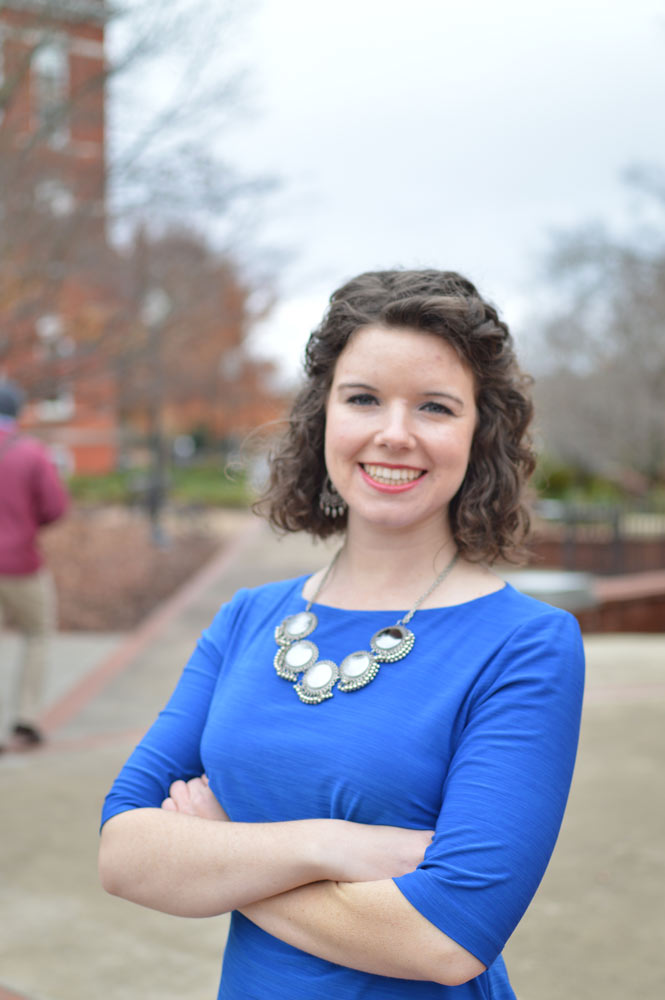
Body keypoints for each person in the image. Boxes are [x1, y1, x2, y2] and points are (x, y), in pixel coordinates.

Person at [99, 270, 585, 998]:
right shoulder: (247, 617)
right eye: (362, 399)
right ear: (322, 417)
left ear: (478, 433)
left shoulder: (525, 645)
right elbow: (122, 854)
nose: (394, 433)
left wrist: (219, 855)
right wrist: (331, 847)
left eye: (434, 407)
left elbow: (445, 939)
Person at [0, 380, 69, 752]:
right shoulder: (30, 453)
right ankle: (25, 721)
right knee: (37, 634)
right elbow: (55, 507)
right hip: (20, 564)